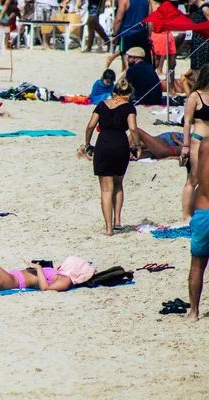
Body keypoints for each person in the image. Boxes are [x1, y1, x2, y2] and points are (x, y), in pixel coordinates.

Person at [84, 78, 141, 236]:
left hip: (103, 144)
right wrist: (137, 146)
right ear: (129, 94)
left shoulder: (102, 105)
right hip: (120, 145)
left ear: (114, 92)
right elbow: (133, 128)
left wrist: (87, 143)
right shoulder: (129, 107)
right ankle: (117, 222)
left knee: (105, 189)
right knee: (118, 184)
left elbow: (90, 125)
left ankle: (108, 228)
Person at [182, 64, 209, 221]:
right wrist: (185, 145)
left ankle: (200, 211)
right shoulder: (195, 97)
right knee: (194, 179)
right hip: (197, 141)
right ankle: (186, 216)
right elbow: (187, 122)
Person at [187, 137, 209, 321]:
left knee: (197, 265)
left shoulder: (205, 144)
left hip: (202, 211)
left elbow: (196, 179)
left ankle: (194, 311)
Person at [113, 0, 150, 68]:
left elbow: (118, 19)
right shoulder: (147, 1)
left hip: (127, 35)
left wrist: (114, 35)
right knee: (142, 63)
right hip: (142, 33)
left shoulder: (124, 1)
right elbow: (150, 20)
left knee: (128, 66)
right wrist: (149, 35)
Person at [191, 0, 209, 77]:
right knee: (195, 67)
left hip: (203, 43)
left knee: (201, 69)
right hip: (196, 42)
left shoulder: (204, 8)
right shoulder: (198, 9)